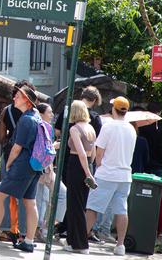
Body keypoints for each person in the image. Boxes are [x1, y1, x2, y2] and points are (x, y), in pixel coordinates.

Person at [0, 85, 41, 253]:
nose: (14, 98)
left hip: (22, 164)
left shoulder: (26, 119)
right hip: (34, 165)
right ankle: (29, 241)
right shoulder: (36, 117)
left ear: (26, 100)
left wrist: (9, 164)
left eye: (17, 96)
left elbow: (17, 147)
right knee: (30, 202)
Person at [85, 96, 136, 256]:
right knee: (121, 210)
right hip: (125, 175)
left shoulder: (108, 127)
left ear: (114, 108)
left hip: (106, 173)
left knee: (92, 207)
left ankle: (81, 241)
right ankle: (120, 245)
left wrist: (99, 166)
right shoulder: (131, 129)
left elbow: (99, 153)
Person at [63, 100, 96, 254]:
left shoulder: (75, 129)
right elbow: (92, 153)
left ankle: (81, 244)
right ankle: (72, 241)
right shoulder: (91, 128)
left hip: (77, 165)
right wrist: (89, 170)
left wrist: (87, 173)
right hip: (87, 164)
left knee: (74, 206)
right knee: (80, 205)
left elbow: (81, 152)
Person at [34, 103, 67, 239]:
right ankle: (41, 229)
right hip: (41, 169)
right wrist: (54, 146)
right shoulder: (39, 126)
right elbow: (42, 148)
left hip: (47, 168)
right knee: (42, 199)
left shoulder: (47, 127)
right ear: (41, 114)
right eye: (50, 112)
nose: (52, 115)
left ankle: (45, 226)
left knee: (51, 197)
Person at [139, 102, 162, 178]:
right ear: (158, 113)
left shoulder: (140, 127)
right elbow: (161, 148)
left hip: (143, 163)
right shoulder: (158, 130)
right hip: (156, 165)